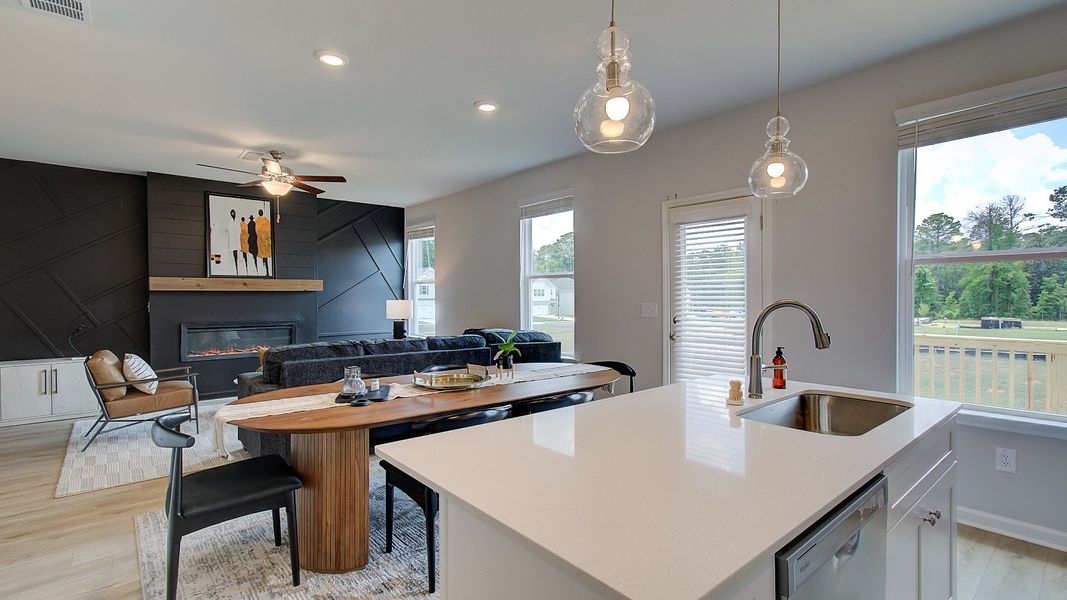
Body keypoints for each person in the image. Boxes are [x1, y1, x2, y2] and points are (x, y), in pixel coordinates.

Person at [255, 208, 272, 277]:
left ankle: (266, 271)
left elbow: (257, 230)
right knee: (265, 256)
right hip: (264, 241)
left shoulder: (258, 220)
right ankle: (266, 271)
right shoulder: (266, 220)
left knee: (263, 256)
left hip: (262, 241)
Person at [225, 209, 241, 274]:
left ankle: (236, 260)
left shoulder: (237, 220)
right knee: (233, 248)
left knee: (236, 248)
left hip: (236, 236)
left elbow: (239, 228)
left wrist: (238, 233)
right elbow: (229, 228)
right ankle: (235, 261)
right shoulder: (230, 220)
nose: (233, 214)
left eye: (233, 213)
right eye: (232, 213)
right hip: (232, 236)